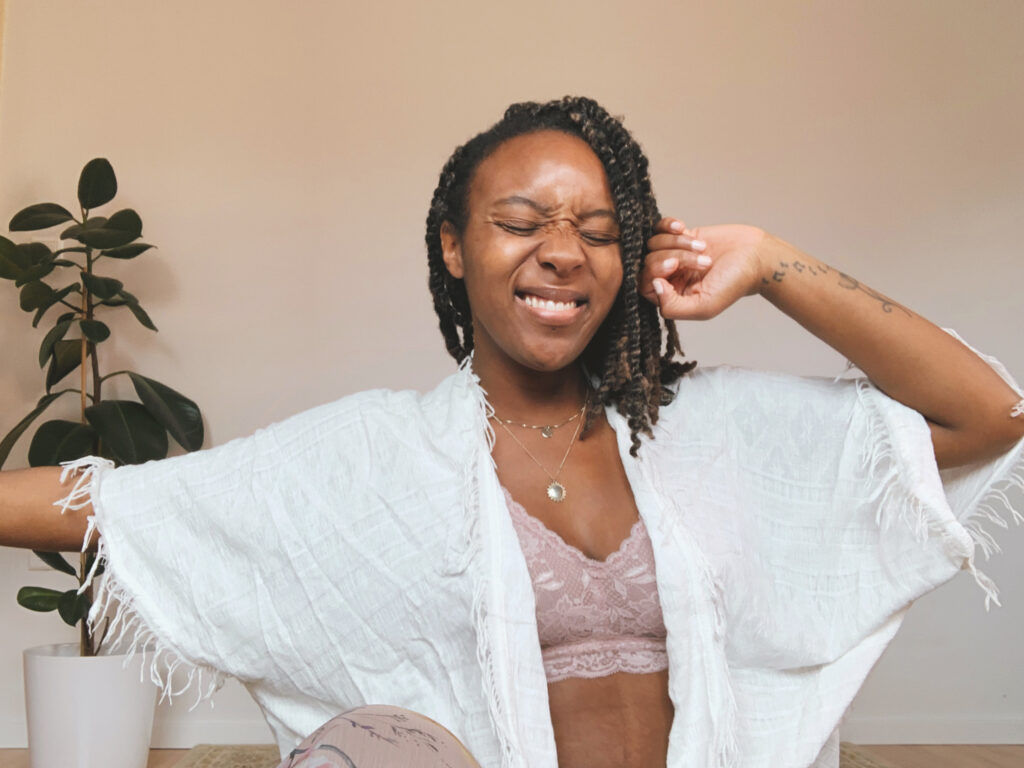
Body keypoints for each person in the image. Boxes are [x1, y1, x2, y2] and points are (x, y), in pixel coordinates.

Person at [2, 96, 1022, 768]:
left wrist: (769, 261)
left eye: (598, 229)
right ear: (453, 246)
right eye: (520, 221)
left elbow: (986, 414)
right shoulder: (373, 461)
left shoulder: (711, 433)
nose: (562, 254)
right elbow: (116, 507)